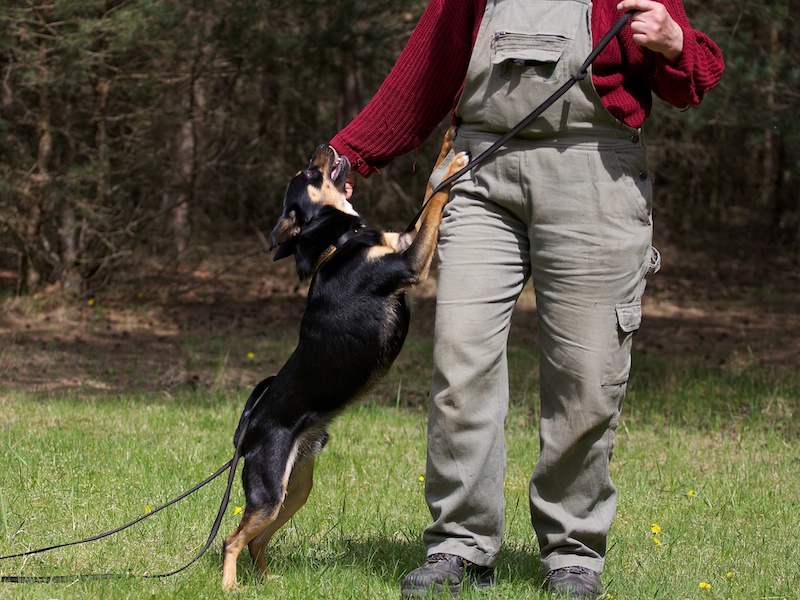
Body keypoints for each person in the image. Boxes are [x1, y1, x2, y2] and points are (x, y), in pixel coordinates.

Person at [330, 0, 723, 597]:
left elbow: (690, 78)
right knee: (460, 360)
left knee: (586, 377)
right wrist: (349, 153)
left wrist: (674, 44)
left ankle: (573, 552)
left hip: (596, 171)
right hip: (480, 170)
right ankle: (459, 546)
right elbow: (428, 69)